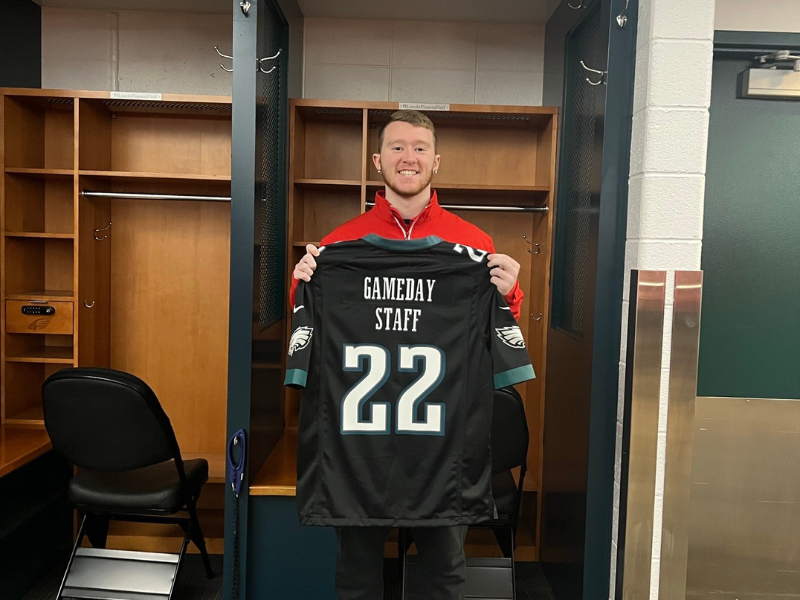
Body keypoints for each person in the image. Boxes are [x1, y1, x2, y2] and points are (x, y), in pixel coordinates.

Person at [290, 110, 524, 600]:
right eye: (397, 147)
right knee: (356, 575)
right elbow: (312, 333)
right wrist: (305, 284)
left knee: (444, 572)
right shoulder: (337, 246)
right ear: (377, 160)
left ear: (436, 161)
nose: (408, 157)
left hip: (443, 448)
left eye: (419, 147)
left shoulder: (475, 246)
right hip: (361, 450)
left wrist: (509, 293)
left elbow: (491, 337)